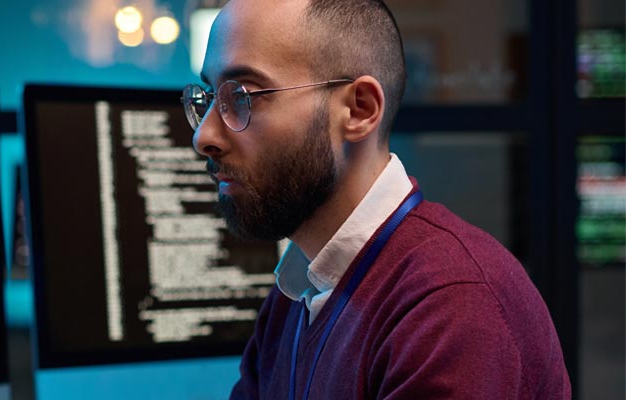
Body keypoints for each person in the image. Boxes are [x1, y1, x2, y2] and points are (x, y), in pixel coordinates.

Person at [182, 0, 572, 398]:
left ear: (359, 109)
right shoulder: (296, 292)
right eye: (210, 96)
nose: (204, 136)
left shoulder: (452, 301)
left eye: (244, 96)